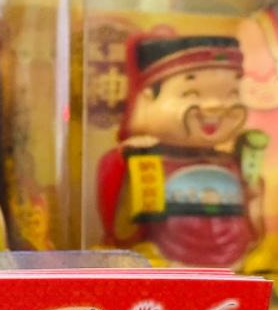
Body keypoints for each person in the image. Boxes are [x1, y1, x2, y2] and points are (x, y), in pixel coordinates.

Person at [97, 34, 267, 268]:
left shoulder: (230, 161)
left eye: (232, 94)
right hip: (166, 261)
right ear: (147, 99)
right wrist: (128, 172)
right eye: (191, 94)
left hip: (233, 260)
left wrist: (253, 194)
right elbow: (122, 230)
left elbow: (253, 222)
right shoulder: (142, 158)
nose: (216, 106)